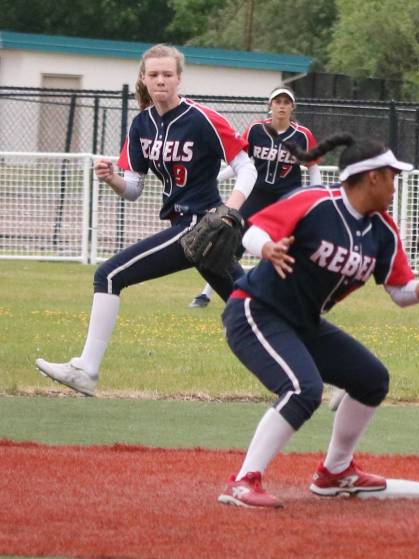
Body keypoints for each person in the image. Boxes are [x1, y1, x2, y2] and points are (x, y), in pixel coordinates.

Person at [216, 133, 419, 508]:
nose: (396, 185)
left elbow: (401, 292)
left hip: (303, 322)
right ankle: (244, 480)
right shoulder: (316, 202)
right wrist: (267, 247)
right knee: (303, 389)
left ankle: (335, 471)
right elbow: (254, 230)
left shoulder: (383, 231)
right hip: (256, 309)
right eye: (392, 176)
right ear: (373, 177)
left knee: (371, 379)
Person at [34, 44, 257, 396]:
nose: (161, 80)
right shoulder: (141, 124)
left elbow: (247, 168)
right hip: (185, 229)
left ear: (179, 78)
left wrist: (229, 210)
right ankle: (334, 375)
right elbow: (134, 188)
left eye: (168, 74)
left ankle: (87, 370)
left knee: (108, 275)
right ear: (143, 78)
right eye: (154, 74)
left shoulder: (203, 119)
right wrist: (112, 179)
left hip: (200, 225)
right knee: (255, 307)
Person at [189, 86, 321, 309]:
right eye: (277, 101)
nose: (281, 105)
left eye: (286, 102)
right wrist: (216, 178)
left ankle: (300, 298)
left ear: (292, 107)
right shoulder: (256, 130)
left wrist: (315, 198)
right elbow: (242, 163)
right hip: (257, 193)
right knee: (228, 239)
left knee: (292, 247)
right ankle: (205, 294)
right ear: (269, 105)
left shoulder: (302, 135)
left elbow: (313, 167)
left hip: (287, 196)